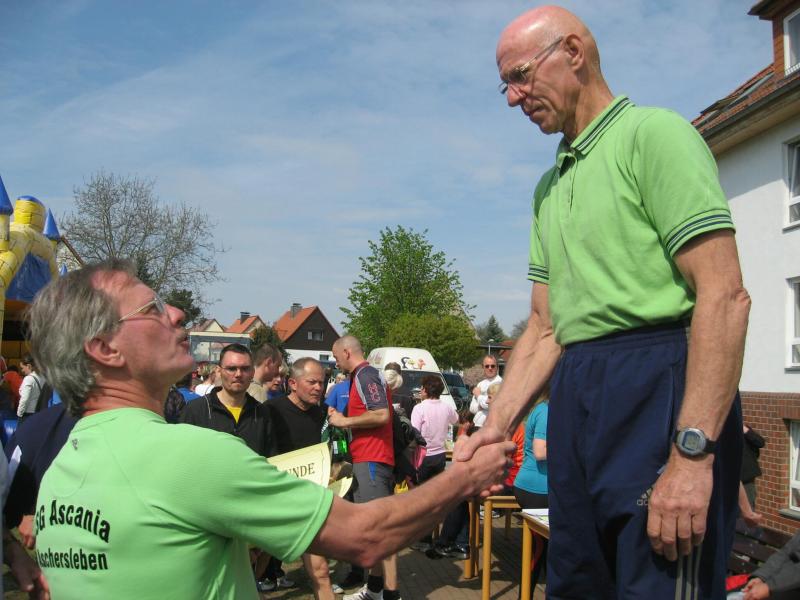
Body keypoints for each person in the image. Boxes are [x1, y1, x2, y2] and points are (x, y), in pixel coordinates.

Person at [457, 6, 751, 599]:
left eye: (520, 76)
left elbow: (724, 296)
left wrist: (692, 457)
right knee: (576, 583)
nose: (512, 98)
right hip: (578, 390)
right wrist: (494, 428)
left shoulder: (654, 136)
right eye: (505, 84)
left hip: (658, 382)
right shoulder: (549, 187)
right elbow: (545, 328)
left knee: (658, 586)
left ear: (573, 52)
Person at [27, 259, 512, 600]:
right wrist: (464, 477)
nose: (175, 313)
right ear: (105, 349)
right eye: (150, 309)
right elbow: (367, 535)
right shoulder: (190, 453)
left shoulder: (59, 472)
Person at [328, 335, 399, 600]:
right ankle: (376, 590)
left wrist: (344, 421)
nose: (335, 363)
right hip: (369, 459)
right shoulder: (365, 375)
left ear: (347, 352)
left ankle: (391, 594)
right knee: (373, 530)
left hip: (372, 459)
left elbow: (381, 414)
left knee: (379, 531)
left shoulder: (365, 375)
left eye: (336, 357)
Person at [268, 357, 334, 600]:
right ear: (293, 383)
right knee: (256, 565)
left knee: (321, 571)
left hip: (308, 502)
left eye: (321, 382)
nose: (318, 387)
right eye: (312, 382)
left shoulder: (322, 413)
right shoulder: (270, 411)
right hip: (275, 501)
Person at [181, 343, 277, 458]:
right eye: (231, 369)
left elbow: (270, 459)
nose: (238, 374)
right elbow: (183, 456)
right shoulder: (196, 411)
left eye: (245, 369)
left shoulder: (262, 414)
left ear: (252, 372)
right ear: (219, 371)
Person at [409, 374, 458, 552]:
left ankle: (423, 538)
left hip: (423, 456)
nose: (420, 390)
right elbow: (456, 420)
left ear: (426, 389)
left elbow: (414, 432)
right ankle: (430, 534)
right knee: (434, 496)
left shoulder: (419, 408)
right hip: (439, 455)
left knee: (421, 498)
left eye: (422, 387)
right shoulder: (446, 407)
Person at [512, 390, 549, 590]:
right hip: (537, 488)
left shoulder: (545, 409)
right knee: (540, 548)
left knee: (547, 549)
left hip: (541, 486)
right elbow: (540, 451)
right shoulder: (546, 411)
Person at [741, 530, 800, 599]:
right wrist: (760, 577)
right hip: (780, 581)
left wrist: (769, 586)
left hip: (789, 586)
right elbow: (784, 553)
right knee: (739, 593)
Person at [469, 355, 501, 428]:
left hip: (491, 427)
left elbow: (492, 405)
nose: (490, 368)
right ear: (483, 367)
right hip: (477, 425)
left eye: (493, 366)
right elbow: (472, 408)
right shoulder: (480, 384)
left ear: (497, 367)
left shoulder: (500, 383)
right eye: (487, 366)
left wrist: (478, 396)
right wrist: (481, 406)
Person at [17, 355, 46, 422]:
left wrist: (19, 414)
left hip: (27, 414)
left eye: (22, 368)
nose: (22, 370)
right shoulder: (43, 377)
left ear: (28, 366)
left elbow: (24, 399)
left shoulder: (28, 379)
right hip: (39, 412)